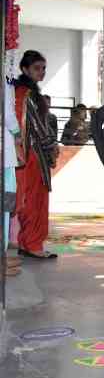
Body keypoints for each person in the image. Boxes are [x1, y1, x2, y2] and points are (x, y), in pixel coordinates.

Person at [14, 50, 58, 259]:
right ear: (25, 69)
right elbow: (40, 128)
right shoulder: (29, 95)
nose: (42, 72)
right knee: (35, 200)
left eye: (43, 68)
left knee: (28, 199)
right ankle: (32, 245)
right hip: (33, 156)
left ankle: (27, 243)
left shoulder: (20, 91)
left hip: (25, 154)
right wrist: (52, 147)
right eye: (37, 68)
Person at [3, 77, 22, 276]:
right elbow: (8, 114)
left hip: (6, 154)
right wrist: (18, 134)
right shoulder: (4, 80)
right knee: (5, 205)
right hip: (5, 155)